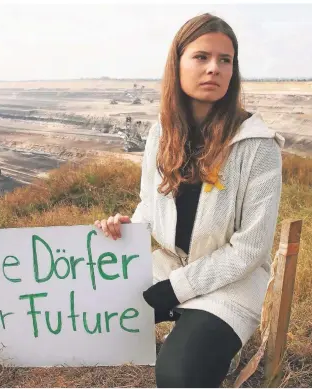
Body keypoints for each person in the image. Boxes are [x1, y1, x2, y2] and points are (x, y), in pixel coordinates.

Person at [94, 13, 284, 388]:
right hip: (170, 266)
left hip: (230, 282)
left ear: (233, 71)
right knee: (95, 310)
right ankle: (195, 335)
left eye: (225, 60)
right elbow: (150, 204)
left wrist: (173, 291)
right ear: (177, 63)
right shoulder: (161, 134)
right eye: (201, 57)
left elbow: (249, 251)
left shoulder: (258, 146)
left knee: (178, 375)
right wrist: (129, 227)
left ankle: (204, 343)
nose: (214, 68)